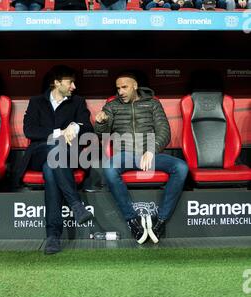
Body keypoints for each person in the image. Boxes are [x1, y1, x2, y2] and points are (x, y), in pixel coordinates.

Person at [94, 72, 188, 244]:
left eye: (124, 87)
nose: (120, 92)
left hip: (151, 154)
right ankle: (132, 220)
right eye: (118, 88)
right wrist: (101, 122)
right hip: (125, 155)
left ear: (135, 86)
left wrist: (151, 150)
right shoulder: (112, 106)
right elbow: (101, 133)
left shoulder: (153, 103)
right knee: (109, 168)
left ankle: (160, 221)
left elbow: (164, 131)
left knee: (181, 167)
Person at [19, 65, 94, 254]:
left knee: (51, 170)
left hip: (65, 156)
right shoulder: (36, 102)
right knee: (54, 149)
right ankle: (76, 204)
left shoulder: (77, 102)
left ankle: (53, 236)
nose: (74, 86)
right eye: (70, 82)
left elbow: (89, 130)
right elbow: (30, 130)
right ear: (57, 82)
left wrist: (75, 127)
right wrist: (59, 133)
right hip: (38, 152)